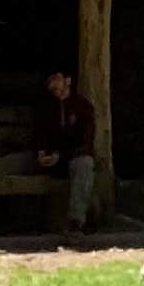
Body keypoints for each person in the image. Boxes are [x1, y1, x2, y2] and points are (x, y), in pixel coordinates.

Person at [34, 65, 98, 227]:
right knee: (18, 161)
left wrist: (61, 156)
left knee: (85, 164)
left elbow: (86, 144)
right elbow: (40, 133)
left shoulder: (83, 106)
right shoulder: (46, 106)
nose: (53, 85)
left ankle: (76, 221)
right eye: (50, 82)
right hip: (50, 160)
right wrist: (41, 152)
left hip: (72, 157)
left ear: (67, 81)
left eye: (56, 79)